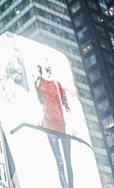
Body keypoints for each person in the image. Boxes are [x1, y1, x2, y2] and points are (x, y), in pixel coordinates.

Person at [34, 60, 73, 188]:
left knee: (68, 161)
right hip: (49, 126)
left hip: (62, 126)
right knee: (60, 161)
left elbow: (66, 105)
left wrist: (71, 125)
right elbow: (36, 101)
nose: (49, 70)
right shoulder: (38, 83)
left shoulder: (58, 84)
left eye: (50, 67)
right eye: (46, 68)